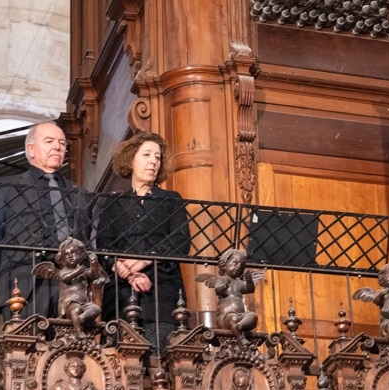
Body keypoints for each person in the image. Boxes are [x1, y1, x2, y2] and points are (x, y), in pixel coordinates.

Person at [0, 122, 90, 321]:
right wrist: (8, 279)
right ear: (31, 149)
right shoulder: (6, 187)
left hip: (72, 286)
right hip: (24, 284)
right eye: (49, 141)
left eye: (62, 143)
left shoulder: (78, 193)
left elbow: (86, 240)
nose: (57, 147)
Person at [96, 131, 189, 353]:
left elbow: (180, 241)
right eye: (147, 155)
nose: (153, 162)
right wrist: (127, 272)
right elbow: (104, 246)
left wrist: (144, 261)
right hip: (120, 295)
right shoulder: (113, 203)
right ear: (131, 160)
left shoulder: (171, 199)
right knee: (119, 363)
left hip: (162, 294)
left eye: (158, 157)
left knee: (161, 360)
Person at [33, 237, 108, 337]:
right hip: (68, 304)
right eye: (66, 254)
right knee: (75, 310)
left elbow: (94, 275)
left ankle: (80, 319)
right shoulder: (63, 271)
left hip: (84, 304)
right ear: (62, 258)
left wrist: (94, 262)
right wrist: (77, 272)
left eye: (73, 253)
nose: (70, 256)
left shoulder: (83, 272)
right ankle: (78, 331)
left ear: (81, 255)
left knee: (96, 309)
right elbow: (65, 278)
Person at [196, 248, 262, 341]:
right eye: (235, 262)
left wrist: (249, 280)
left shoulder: (239, 282)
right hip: (226, 316)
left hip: (240, 316)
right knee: (233, 319)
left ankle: (239, 326)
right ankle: (241, 338)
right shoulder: (222, 279)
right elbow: (218, 290)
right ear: (224, 265)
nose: (238, 266)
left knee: (253, 316)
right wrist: (224, 285)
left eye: (241, 265)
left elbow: (250, 289)